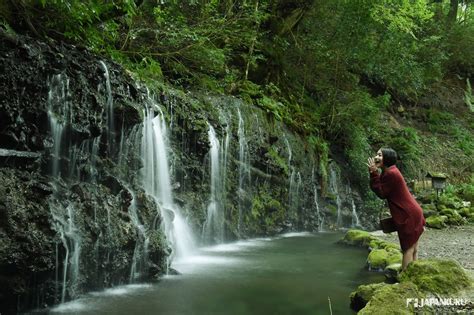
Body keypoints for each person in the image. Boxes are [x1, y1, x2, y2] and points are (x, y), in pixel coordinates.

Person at [367, 148, 425, 271]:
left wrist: (373, 174)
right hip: (414, 212)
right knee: (413, 248)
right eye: (376, 154)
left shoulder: (390, 173)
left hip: (407, 214)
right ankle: (414, 275)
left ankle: (405, 279)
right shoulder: (391, 171)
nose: (376, 157)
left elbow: (382, 193)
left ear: (387, 158)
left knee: (407, 249)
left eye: (380, 155)